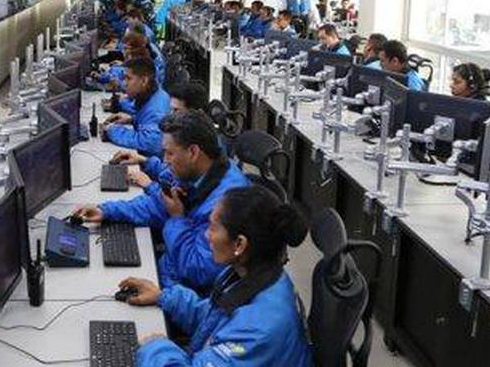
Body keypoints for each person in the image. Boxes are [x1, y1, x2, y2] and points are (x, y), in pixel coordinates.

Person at [118, 186, 312, 367]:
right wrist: (163, 297)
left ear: (239, 244)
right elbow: (213, 319)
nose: (205, 235)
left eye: (212, 227)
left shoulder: (259, 328)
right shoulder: (250, 273)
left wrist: (155, 347)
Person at [75, 111, 250, 292]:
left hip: (186, 292)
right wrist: (106, 211)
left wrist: (176, 218)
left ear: (193, 152)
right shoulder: (197, 173)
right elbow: (159, 205)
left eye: (169, 153)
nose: (165, 161)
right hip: (171, 271)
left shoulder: (227, 202)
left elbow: (198, 271)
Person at [113, 82, 211, 190]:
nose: (171, 116)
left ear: (198, 113)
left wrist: (150, 185)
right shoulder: (191, 137)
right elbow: (170, 173)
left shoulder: (202, 152)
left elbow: (184, 202)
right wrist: (144, 161)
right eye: (171, 110)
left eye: (177, 111)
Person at [102, 57, 170, 156]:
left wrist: (112, 130)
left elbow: (151, 143)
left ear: (144, 81)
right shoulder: (154, 95)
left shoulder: (156, 109)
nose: (124, 83)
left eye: (128, 78)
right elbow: (150, 122)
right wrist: (133, 120)